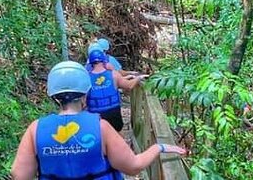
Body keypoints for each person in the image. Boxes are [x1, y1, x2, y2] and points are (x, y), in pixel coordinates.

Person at [11, 61, 187, 180]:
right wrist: (159, 147)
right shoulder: (100, 127)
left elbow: (19, 175)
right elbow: (133, 166)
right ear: (86, 93)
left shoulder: (35, 129)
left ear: (53, 95)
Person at [87, 49, 146, 132]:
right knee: (116, 133)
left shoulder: (86, 78)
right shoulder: (114, 74)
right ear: (104, 61)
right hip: (113, 113)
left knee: (100, 136)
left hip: (96, 115)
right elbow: (129, 86)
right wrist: (138, 78)